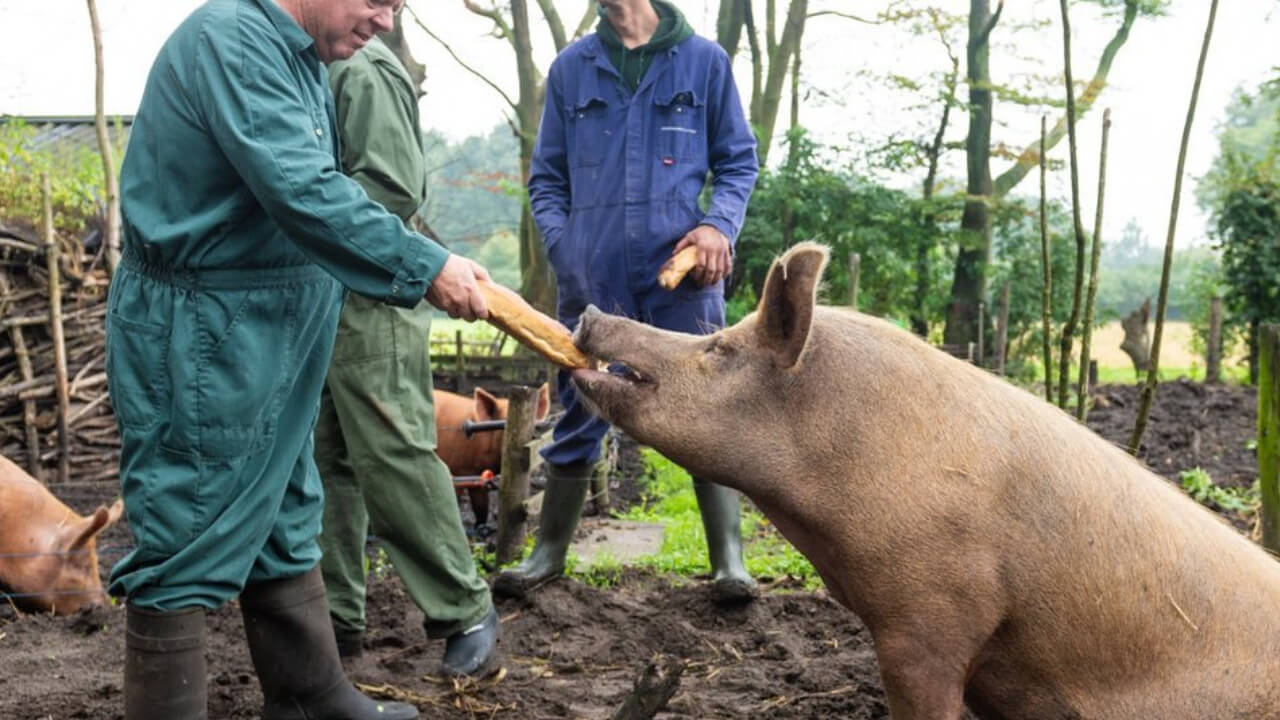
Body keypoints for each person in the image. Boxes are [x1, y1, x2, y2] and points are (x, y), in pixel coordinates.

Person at [105, 1, 489, 718]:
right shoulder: (235, 42)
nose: (384, 21)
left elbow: (319, 184)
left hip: (269, 328)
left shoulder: (301, 55)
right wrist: (425, 265)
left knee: (285, 509)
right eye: (377, 0)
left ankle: (309, 697)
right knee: (184, 523)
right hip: (206, 334)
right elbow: (303, 190)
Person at [494, 0, 760, 604]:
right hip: (592, 276)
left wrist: (719, 225)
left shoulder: (704, 62)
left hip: (680, 275)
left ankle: (729, 563)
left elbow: (739, 161)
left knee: (707, 403)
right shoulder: (572, 69)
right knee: (580, 400)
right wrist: (566, 250)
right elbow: (547, 179)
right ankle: (548, 555)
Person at [315, 34, 498, 677]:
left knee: (392, 453)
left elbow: (391, 192)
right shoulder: (311, 60)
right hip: (314, 295)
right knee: (325, 462)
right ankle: (335, 622)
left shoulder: (364, 70)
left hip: (368, 295)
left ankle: (463, 608)